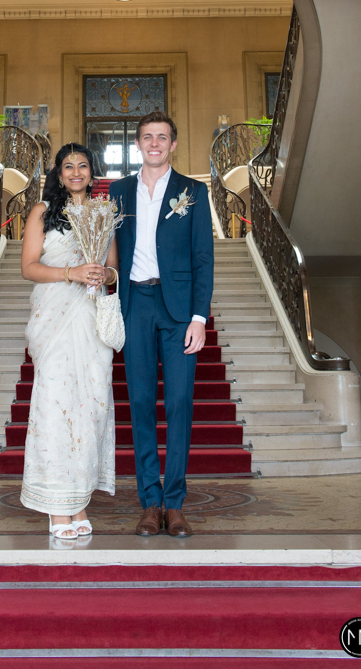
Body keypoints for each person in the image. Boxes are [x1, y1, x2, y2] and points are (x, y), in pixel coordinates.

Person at [110, 112, 214, 537]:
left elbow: (203, 257)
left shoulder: (193, 191)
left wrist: (199, 318)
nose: (154, 143)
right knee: (139, 404)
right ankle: (150, 503)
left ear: (173, 144)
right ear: (137, 144)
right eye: (147, 137)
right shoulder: (118, 191)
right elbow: (109, 247)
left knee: (179, 403)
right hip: (135, 304)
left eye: (162, 137)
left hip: (179, 311)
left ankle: (174, 503)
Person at [20, 143, 117, 540]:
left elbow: (113, 268)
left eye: (83, 165)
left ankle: (79, 502)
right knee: (55, 407)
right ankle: (56, 506)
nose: (76, 172)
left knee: (90, 408)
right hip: (55, 319)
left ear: (92, 173)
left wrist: (104, 275)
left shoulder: (104, 213)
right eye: (68, 166)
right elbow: (29, 268)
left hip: (91, 320)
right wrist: (70, 273)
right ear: (58, 174)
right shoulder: (42, 212)